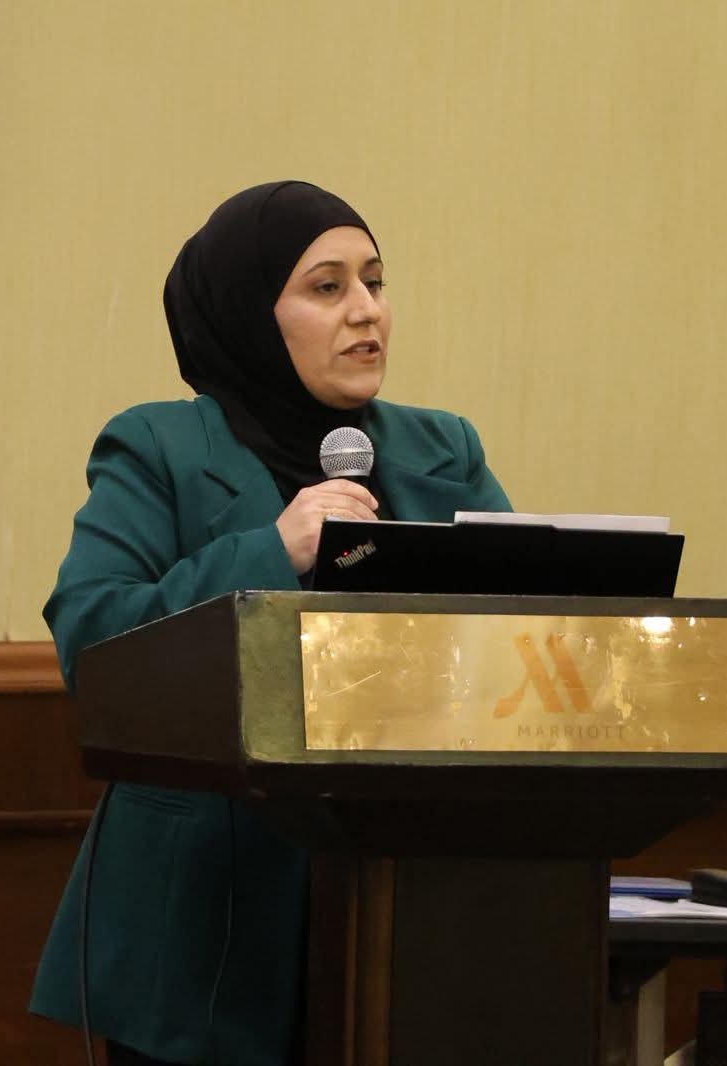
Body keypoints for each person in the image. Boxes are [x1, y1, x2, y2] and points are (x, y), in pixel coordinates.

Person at [30, 181, 512, 1065]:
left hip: (418, 910)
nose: (366, 310)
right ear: (252, 314)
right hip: (208, 918)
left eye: (375, 281)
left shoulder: (444, 449)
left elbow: (521, 634)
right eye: (328, 287)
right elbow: (94, 641)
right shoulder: (161, 449)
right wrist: (271, 551)